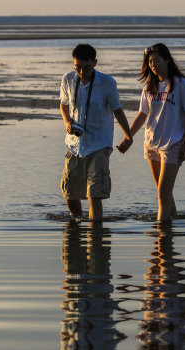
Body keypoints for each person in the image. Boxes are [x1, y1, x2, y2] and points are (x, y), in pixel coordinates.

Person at [117, 43, 185, 221]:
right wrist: (128, 137)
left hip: (173, 144)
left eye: (156, 61)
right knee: (164, 193)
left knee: (162, 194)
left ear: (167, 60)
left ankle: (161, 233)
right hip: (151, 143)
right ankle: (170, 228)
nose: (153, 65)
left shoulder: (181, 84)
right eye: (150, 62)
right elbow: (142, 116)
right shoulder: (148, 87)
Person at [60, 43, 132, 221]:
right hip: (75, 144)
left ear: (95, 63)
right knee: (70, 192)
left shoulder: (107, 83)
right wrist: (67, 121)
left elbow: (117, 110)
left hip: (99, 144)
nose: (82, 72)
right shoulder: (68, 79)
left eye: (87, 67)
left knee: (95, 194)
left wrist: (128, 136)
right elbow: (63, 104)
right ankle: (76, 226)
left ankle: (96, 237)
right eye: (78, 67)